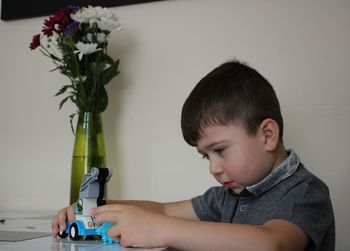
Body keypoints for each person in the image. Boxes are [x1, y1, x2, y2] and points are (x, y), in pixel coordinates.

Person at [52, 59, 335, 251]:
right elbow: (161, 210)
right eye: (205, 156)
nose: (213, 168)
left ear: (267, 135)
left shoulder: (305, 192)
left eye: (220, 150)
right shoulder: (229, 195)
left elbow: (273, 244)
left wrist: (160, 230)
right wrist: (95, 209)